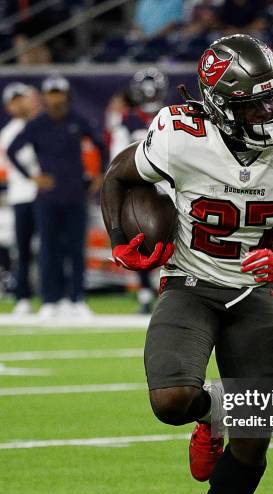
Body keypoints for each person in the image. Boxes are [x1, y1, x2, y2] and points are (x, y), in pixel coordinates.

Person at [101, 34, 273, 494]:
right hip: (192, 281)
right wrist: (120, 238)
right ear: (218, 108)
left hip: (260, 294)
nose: (269, 112)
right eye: (253, 103)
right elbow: (118, 175)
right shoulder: (181, 136)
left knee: (254, 442)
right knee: (171, 400)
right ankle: (212, 413)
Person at [7, 75, 105, 319]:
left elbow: (101, 145)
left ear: (66, 95)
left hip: (75, 194)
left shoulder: (77, 120)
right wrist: (31, 176)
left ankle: (77, 298)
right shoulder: (38, 124)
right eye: (50, 93)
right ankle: (50, 299)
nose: (54, 97)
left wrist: (98, 174)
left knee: (75, 249)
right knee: (48, 249)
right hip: (47, 197)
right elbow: (12, 150)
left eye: (58, 92)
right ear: (45, 96)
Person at [109, 68, 169, 314]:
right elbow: (117, 157)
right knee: (140, 237)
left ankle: (168, 289)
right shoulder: (126, 120)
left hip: (170, 185)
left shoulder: (170, 117)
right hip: (140, 188)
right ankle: (145, 292)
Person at [0, 82, 39, 315]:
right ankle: (22, 296)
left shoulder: (42, 125)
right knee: (22, 249)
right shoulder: (8, 133)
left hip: (45, 196)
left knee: (52, 249)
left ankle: (56, 297)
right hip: (21, 195)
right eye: (18, 100)